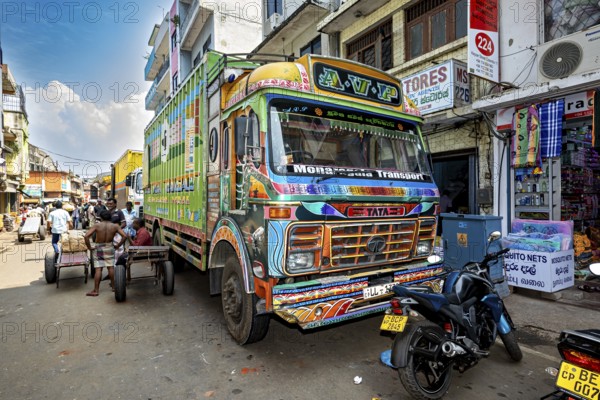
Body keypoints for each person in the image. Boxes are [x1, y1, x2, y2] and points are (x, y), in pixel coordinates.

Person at [84, 210, 127, 296]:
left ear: (101, 217)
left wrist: (89, 247)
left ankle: (96, 290)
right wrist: (118, 245)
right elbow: (125, 236)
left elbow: (86, 236)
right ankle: (114, 287)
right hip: (109, 247)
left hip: (99, 248)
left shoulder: (97, 225)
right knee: (110, 267)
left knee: (99, 268)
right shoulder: (115, 226)